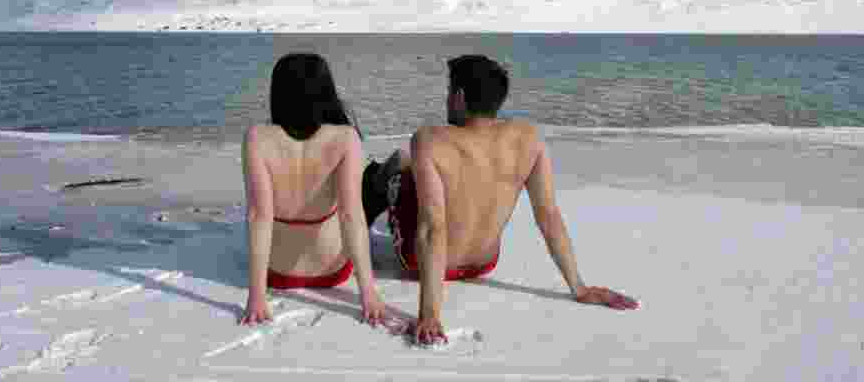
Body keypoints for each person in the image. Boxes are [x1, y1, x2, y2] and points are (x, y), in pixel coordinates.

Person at [363, 54, 639, 345]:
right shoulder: (529, 138)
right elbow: (548, 216)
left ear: (458, 97)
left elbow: (433, 227)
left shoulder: (429, 139)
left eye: (448, 93)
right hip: (484, 263)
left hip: (420, 263)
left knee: (398, 171)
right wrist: (579, 287)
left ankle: (367, 198)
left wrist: (429, 313)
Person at [241, 53, 386, 327]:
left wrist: (257, 296)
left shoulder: (257, 137)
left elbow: (258, 216)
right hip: (332, 270)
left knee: (258, 209)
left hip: (276, 272)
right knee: (358, 197)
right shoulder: (344, 137)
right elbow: (350, 216)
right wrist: (368, 293)